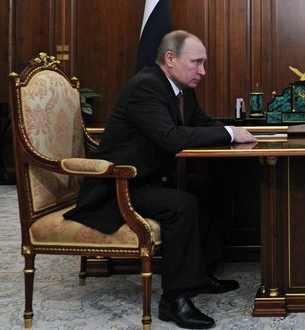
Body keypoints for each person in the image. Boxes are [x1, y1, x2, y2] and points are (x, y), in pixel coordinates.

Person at [64, 30, 257, 329]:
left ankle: (201, 273)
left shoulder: (181, 88)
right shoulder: (146, 87)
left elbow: (202, 124)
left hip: (150, 179)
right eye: (197, 62)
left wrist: (242, 133)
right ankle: (174, 301)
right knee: (181, 204)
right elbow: (170, 138)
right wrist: (230, 134)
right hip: (119, 186)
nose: (202, 71)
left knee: (210, 186)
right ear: (170, 58)